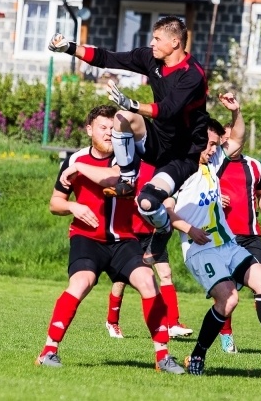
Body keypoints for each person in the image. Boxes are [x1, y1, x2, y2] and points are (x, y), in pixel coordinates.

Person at [36, 105, 185, 374]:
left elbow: (114, 177)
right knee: (82, 282)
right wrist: (73, 207)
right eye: (103, 128)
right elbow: (55, 203)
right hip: (86, 238)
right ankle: (49, 351)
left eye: (113, 129)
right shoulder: (74, 159)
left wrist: (79, 167)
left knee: (147, 281)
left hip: (123, 240)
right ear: (89, 130)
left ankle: (163, 356)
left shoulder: (127, 156)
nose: (109, 134)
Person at [49, 16, 209, 263]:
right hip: (157, 141)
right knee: (122, 117)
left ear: (175, 42)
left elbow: (168, 109)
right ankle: (127, 178)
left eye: (157, 39)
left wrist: (133, 103)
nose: (151, 43)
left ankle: (163, 229)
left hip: (182, 156)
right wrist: (69, 48)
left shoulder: (193, 75)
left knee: (146, 203)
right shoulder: (151, 58)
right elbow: (108, 58)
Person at [163, 94, 261, 375]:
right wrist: (190, 229)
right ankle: (198, 355)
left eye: (215, 144)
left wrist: (237, 111)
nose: (214, 149)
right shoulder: (179, 169)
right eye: (210, 144)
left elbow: (236, 139)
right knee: (228, 299)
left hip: (227, 243)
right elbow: (164, 208)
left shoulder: (213, 163)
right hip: (201, 249)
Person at [214, 123, 261, 354]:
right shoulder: (213, 164)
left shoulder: (254, 165)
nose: (228, 144)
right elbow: (199, 193)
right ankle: (226, 335)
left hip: (252, 237)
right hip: (226, 238)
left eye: (232, 139)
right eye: (224, 140)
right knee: (228, 292)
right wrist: (217, 198)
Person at [105, 160, 193, 340]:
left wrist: (164, 213)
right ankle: (112, 321)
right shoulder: (129, 162)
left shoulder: (164, 167)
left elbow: (169, 197)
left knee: (166, 274)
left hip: (153, 233)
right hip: (129, 232)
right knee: (121, 280)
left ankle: (173, 323)